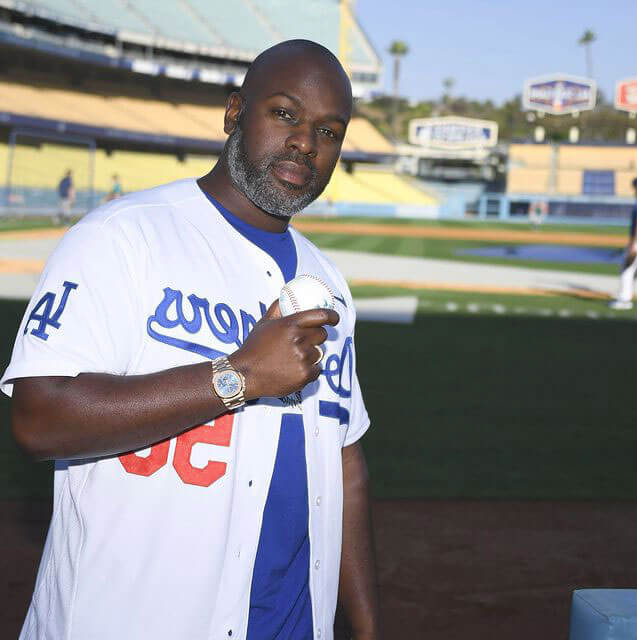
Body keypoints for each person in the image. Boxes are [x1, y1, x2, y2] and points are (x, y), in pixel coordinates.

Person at [2, 40, 378, 640]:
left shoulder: (328, 284)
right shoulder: (123, 237)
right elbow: (37, 417)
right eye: (285, 113)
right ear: (235, 113)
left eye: (329, 131)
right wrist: (239, 376)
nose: (306, 143)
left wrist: (367, 628)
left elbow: (344, 462)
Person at [609, 176, 637, 310]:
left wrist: (633, 244)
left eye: (635, 188)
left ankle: (624, 300)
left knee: (627, 270)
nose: (634, 191)